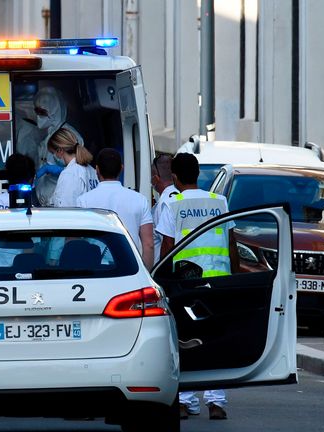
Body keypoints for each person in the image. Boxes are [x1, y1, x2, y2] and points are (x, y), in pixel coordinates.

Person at [155, 153, 238, 421]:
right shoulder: (219, 201)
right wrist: (235, 277)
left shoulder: (173, 204)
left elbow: (167, 246)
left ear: (175, 177)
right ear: (199, 173)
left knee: (185, 342)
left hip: (185, 283)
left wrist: (159, 278)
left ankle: (184, 401)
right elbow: (232, 241)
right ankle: (216, 403)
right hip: (218, 282)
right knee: (215, 341)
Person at [77, 148, 154, 268]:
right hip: (130, 268)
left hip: (95, 269)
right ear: (121, 169)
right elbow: (148, 244)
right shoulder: (140, 200)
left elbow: (76, 240)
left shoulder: (83, 201)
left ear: (97, 169)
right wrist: (145, 275)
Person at [17, 86, 84, 206]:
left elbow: (79, 172)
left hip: (61, 205)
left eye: (42, 112)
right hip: (44, 204)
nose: (38, 116)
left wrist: (59, 171)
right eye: (36, 110)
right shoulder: (48, 136)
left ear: (54, 111)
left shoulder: (71, 136)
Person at [47, 127, 98, 207]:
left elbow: (65, 211)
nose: (54, 157)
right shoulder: (91, 170)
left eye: (53, 153)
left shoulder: (70, 174)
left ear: (60, 151)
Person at [151, 153, 179, 265]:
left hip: (166, 270)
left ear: (156, 178)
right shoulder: (179, 197)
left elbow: (167, 244)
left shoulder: (164, 204)